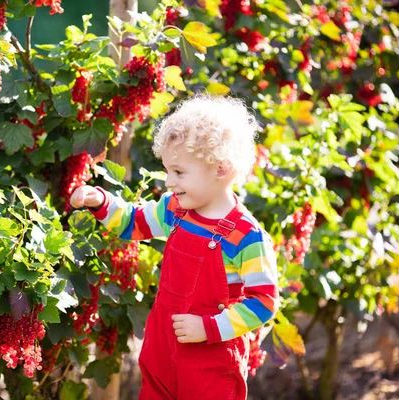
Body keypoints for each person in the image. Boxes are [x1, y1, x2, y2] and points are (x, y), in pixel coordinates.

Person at [70, 94, 279, 400]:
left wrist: (209, 327)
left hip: (209, 364)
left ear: (221, 169)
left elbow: (263, 301)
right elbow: (133, 222)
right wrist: (101, 202)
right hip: (162, 349)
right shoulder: (175, 209)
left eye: (179, 172)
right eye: (168, 170)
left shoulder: (246, 236)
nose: (169, 181)